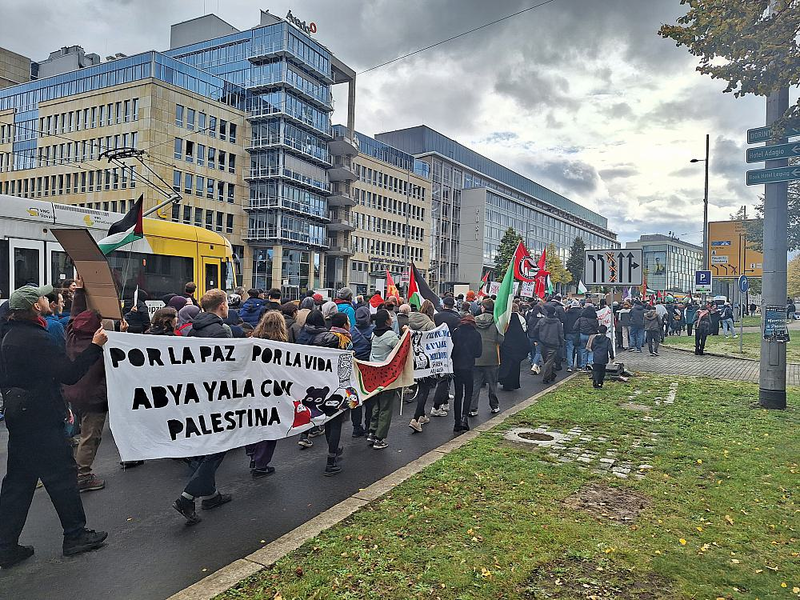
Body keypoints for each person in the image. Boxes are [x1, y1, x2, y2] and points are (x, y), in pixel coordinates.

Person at [0, 284, 109, 567]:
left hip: (21, 420)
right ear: (35, 307)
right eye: (42, 298)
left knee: (18, 484)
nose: (48, 300)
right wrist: (96, 346)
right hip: (42, 420)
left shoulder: (11, 335)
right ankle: (75, 535)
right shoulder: (38, 338)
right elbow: (70, 374)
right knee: (62, 478)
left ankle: (5, 546)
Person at [172, 289, 233, 525]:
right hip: (218, 396)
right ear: (221, 306)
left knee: (209, 443)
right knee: (219, 446)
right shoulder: (223, 331)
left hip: (199, 395)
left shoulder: (191, 330)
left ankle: (211, 495)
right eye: (226, 303)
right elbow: (228, 364)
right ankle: (187, 497)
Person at [63, 285, 118, 493]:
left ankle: (73, 469)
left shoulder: (72, 333)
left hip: (72, 392)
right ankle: (83, 475)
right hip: (93, 397)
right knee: (90, 435)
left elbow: (75, 315)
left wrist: (79, 293)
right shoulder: (101, 344)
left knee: (76, 433)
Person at [246, 312, 286, 479]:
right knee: (269, 426)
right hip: (272, 390)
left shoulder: (251, 341)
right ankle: (261, 463)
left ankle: (252, 454)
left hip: (251, 388)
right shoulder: (282, 345)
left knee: (252, 422)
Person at [367, 309, 400, 449]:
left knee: (377, 404)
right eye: (390, 317)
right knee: (386, 406)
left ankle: (372, 431)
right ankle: (380, 438)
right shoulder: (391, 335)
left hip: (375, 372)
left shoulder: (373, 334)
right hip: (387, 374)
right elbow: (400, 349)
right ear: (387, 320)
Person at [469, 298, 504, 417]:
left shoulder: (474, 321)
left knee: (475, 384)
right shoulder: (497, 322)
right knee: (492, 384)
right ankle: (494, 406)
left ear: (483, 307)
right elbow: (500, 340)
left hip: (477, 356)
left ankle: (473, 408)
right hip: (492, 356)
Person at [408, 300, 437, 433]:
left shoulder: (411, 321)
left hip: (413, 358)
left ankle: (423, 415)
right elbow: (433, 341)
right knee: (424, 389)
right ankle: (415, 418)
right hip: (425, 360)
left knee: (420, 386)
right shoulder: (430, 324)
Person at [450, 313, 482, 432]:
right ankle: (465, 418)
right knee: (468, 392)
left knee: (458, 394)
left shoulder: (456, 332)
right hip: (469, 366)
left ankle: (456, 422)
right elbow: (479, 353)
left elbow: (451, 348)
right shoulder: (476, 334)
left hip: (456, 366)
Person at [431, 296, 461, 414]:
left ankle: (444, 401)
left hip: (437, 348)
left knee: (442, 375)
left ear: (443, 305)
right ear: (453, 305)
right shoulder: (456, 318)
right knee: (447, 376)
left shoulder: (436, 316)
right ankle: (439, 403)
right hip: (451, 348)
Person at [349, 306, 373, 438]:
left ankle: (356, 427)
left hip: (354, 368)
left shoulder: (351, 331)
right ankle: (369, 425)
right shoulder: (373, 330)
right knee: (370, 399)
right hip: (369, 368)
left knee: (355, 398)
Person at [498, 303, 528, 391]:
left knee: (506, 367)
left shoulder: (507, 324)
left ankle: (504, 382)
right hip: (516, 353)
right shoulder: (518, 326)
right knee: (514, 369)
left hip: (506, 351)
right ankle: (512, 384)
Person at [533, 304, 564, 384]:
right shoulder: (558, 322)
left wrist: (537, 339)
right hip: (554, 344)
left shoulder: (542, 321)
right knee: (549, 361)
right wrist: (561, 343)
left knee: (547, 360)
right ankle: (549, 375)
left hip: (543, 343)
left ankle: (547, 377)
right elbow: (560, 333)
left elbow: (535, 330)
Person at [575, 303, 599, 370]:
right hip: (591, 336)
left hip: (582, 335)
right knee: (591, 350)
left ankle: (583, 365)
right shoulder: (594, 320)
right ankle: (590, 363)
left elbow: (575, 327)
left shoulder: (581, 319)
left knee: (583, 350)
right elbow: (597, 327)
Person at [590, 324, 612, 389]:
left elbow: (592, 347)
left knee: (596, 370)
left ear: (598, 331)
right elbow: (610, 348)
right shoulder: (607, 339)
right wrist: (612, 356)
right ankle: (600, 382)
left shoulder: (595, 339)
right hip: (603, 357)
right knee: (602, 371)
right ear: (606, 331)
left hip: (596, 357)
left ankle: (595, 381)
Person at [563, 300, 582, 372]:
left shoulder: (567, 313)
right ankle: (579, 365)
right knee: (579, 349)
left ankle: (570, 366)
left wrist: (564, 333)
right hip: (578, 333)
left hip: (569, 332)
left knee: (569, 349)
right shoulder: (581, 313)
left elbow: (565, 323)